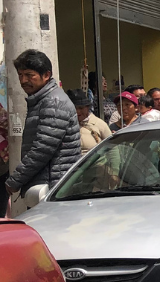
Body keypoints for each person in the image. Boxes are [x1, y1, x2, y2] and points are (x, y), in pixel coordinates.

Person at [5, 50, 82, 212]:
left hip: (54, 188)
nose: (23, 80)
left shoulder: (53, 102)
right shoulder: (41, 100)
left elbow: (42, 149)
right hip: (48, 187)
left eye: (29, 75)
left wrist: (15, 180)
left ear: (46, 75)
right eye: (20, 75)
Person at [68, 89, 111, 154]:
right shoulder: (67, 125)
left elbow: (112, 149)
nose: (77, 112)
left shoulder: (99, 124)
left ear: (87, 107)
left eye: (81, 108)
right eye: (74, 108)